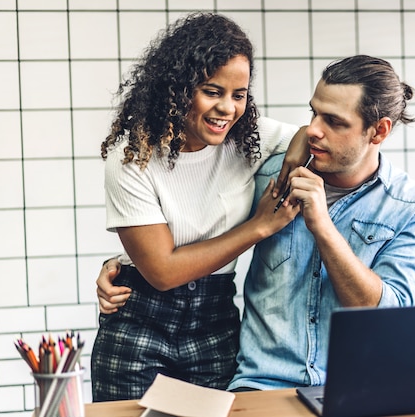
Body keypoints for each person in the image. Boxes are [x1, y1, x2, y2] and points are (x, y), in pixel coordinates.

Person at [97, 55, 415, 391]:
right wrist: (125, 264)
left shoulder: (409, 207)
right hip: (261, 385)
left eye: (334, 121)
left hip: (358, 387)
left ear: (378, 131)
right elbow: (198, 220)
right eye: (314, 113)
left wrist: (323, 226)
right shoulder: (269, 177)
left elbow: (387, 318)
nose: (314, 130)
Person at [91, 12, 308, 402]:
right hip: (138, 324)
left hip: (215, 324)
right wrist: (259, 227)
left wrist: (299, 145)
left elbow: (315, 135)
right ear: (177, 89)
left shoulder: (247, 139)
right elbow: (161, 270)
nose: (228, 108)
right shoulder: (133, 156)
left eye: (238, 95)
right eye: (212, 91)